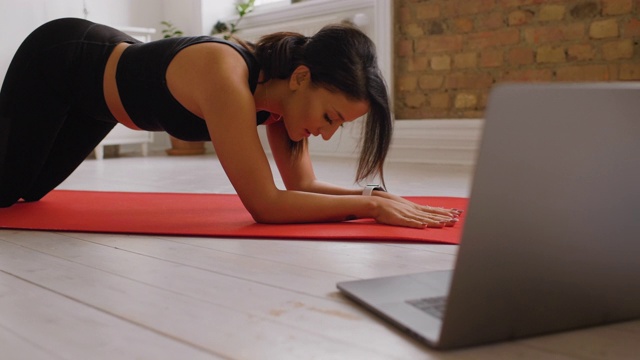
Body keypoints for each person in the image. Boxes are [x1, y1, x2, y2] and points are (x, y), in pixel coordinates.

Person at [0, 18, 460, 228]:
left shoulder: (282, 103)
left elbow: (301, 185)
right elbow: (266, 205)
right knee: (5, 190)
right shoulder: (227, 77)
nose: (326, 132)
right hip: (62, 61)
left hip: (95, 102)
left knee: (30, 193)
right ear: (301, 77)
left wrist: (377, 195)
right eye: (329, 117)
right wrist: (371, 210)